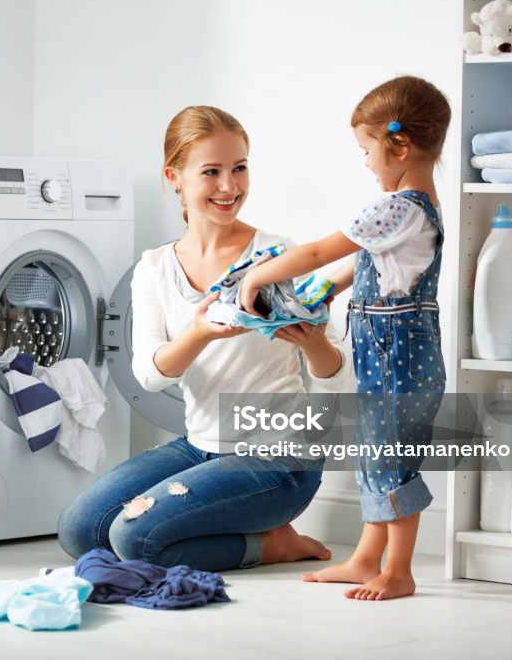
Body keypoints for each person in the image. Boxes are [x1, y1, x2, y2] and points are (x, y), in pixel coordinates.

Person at [56, 105, 353, 572]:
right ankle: (251, 534)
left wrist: (312, 341)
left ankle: (273, 543)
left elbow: (338, 376)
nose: (229, 187)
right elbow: (151, 375)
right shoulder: (155, 267)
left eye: (239, 168)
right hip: (200, 445)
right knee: (80, 530)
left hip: (280, 458)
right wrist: (198, 332)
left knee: (132, 538)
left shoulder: (278, 255)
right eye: (211, 172)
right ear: (174, 176)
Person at [236, 75, 451, 600]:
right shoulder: (417, 206)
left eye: (366, 150)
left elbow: (317, 252)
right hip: (395, 349)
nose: (366, 163)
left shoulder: (396, 208)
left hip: (398, 354)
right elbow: (365, 265)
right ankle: (364, 559)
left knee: (391, 458)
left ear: (397, 144)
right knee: (376, 452)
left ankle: (398, 571)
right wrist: (327, 290)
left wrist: (256, 277)